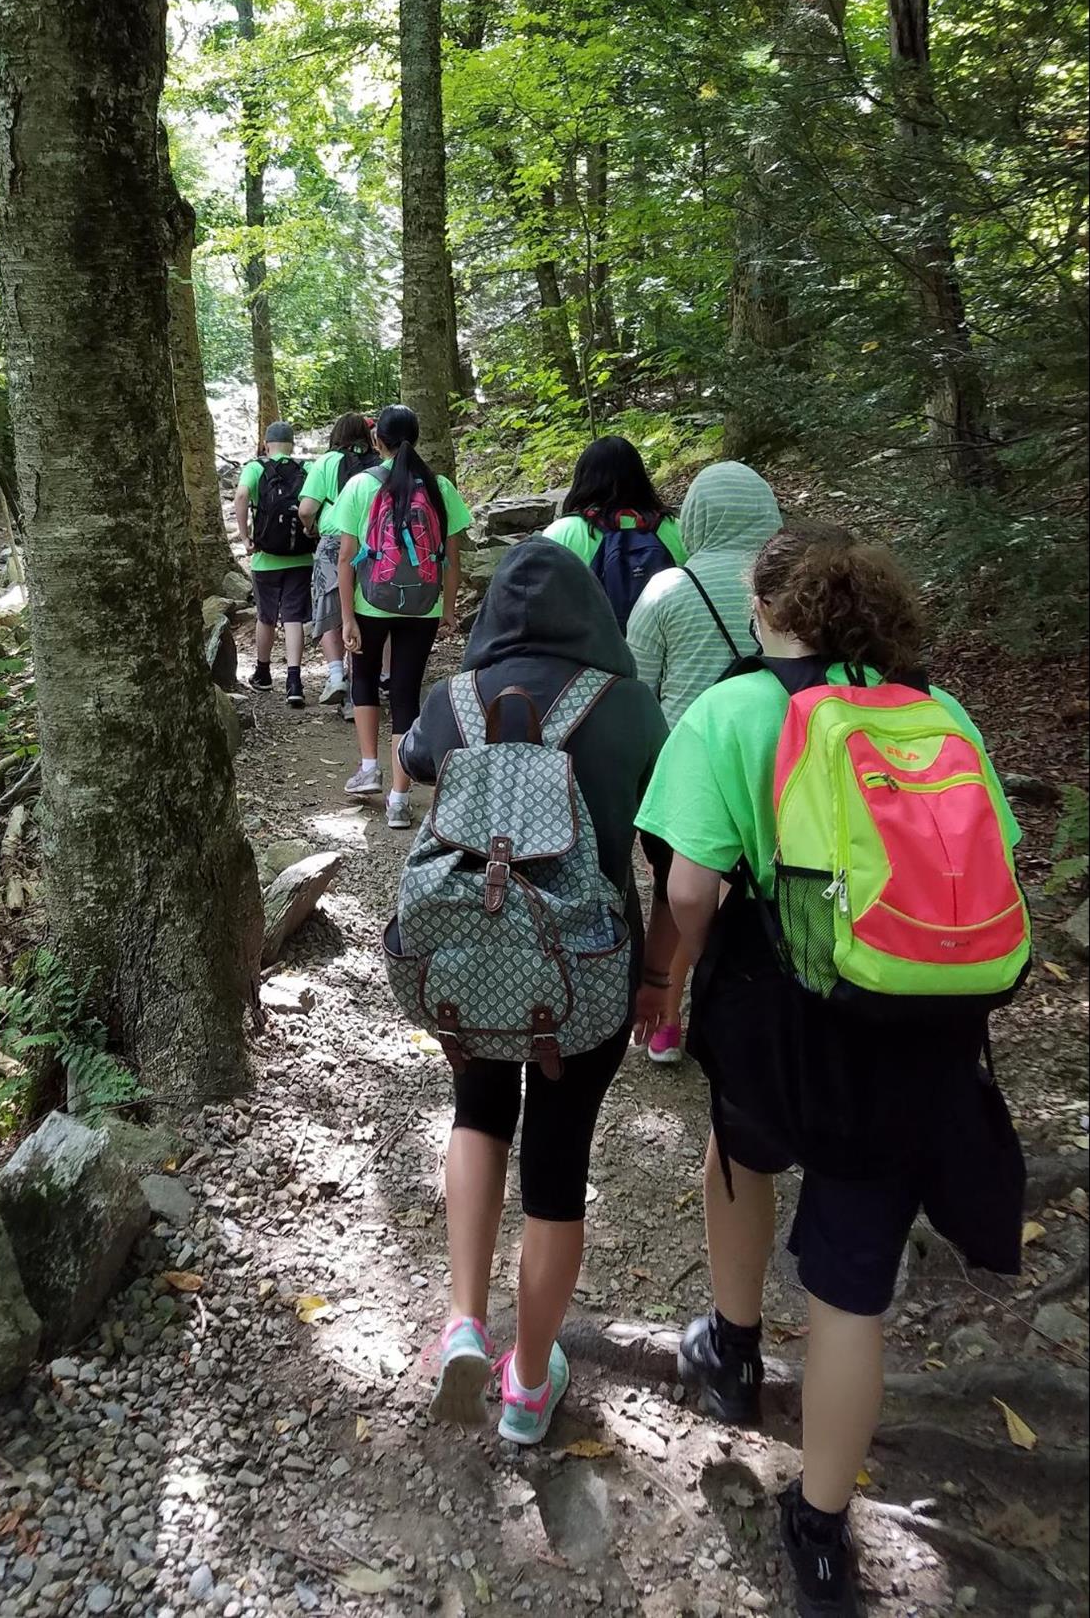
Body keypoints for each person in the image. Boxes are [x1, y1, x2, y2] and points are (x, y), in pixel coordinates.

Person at [635, 530, 1026, 1618]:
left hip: (777, 1022)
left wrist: (674, 979)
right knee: (852, 1284)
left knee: (741, 1146)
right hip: (916, 1028)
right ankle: (817, 1529)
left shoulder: (731, 712)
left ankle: (733, 1350)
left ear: (766, 611)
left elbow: (691, 894)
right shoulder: (938, 712)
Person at [397, 538, 669, 1440]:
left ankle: (464, 1320)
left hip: (471, 963)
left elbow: (414, 765)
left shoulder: (452, 700)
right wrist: (662, 974)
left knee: (476, 1115)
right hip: (582, 968)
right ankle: (524, 1385)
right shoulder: (627, 706)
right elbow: (668, 853)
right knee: (558, 1162)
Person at [626, 460, 781, 1065]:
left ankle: (664, 1017)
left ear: (695, 517)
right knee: (758, 896)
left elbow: (639, 688)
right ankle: (750, 1005)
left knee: (677, 892)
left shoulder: (668, 587)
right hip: (770, 766)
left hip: (685, 770)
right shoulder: (788, 591)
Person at [333, 405, 472, 827]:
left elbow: (344, 558)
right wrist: (447, 610)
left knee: (364, 678)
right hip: (423, 605)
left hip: (369, 601)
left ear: (378, 441)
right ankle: (399, 797)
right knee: (407, 692)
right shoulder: (439, 486)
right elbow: (451, 556)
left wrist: (347, 619)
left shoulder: (360, 485)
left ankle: (369, 768)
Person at [544, 435, 687, 628]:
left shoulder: (561, 534)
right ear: (640, 478)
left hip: (593, 652)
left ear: (582, 478)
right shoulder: (677, 529)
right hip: (666, 647)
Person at [298, 412, 376, 709]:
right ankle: (359, 691)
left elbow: (306, 508)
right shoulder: (379, 464)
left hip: (333, 542)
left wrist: (310, 527)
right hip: (373, 546)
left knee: (330, 606)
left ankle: (335, 675)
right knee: (364, 612)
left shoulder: (326, 462)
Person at [233, 421, 313, 707]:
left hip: (265, 558)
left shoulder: (256, 468)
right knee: (293, 617)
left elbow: (241, 496)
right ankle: (294, 681)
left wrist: (244, 537)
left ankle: (264, 673)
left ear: (266, 444)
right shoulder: (306, 469)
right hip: (301, 557)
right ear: (292, 445)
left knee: (266, 616)